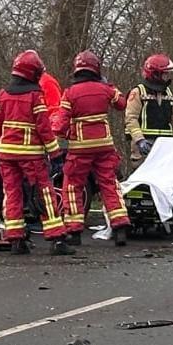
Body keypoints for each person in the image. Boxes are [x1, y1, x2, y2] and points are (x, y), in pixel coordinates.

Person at [0, 49, 72, 255]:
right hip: (31, 155)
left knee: (12, 195)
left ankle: (16, 240)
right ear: (33, 73)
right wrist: (55, 154)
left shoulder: (4, 95)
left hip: (7, 156)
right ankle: (56, 238)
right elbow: (44, 127)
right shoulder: (35, 96)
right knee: (44, 193)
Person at [54, 50, 130, 246]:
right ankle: (120, 226)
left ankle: (74, 231)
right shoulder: (105, 89)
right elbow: (122, 104)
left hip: (79, 149)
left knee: (72, 186)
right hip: (104, 147)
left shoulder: (69, 93)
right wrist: (109, 85)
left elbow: (60, 125)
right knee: (109, 184)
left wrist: (57, 134)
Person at [125, 53, 173, 168]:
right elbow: (131, 118)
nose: (168, 76)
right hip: (144, 147)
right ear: (155, 74)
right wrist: (140, 140)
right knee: (143, 182)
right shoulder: (138, 92)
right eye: (165, 73)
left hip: (165, 146)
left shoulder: (168, 93)